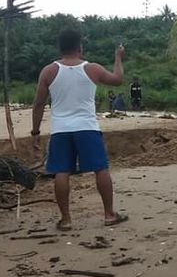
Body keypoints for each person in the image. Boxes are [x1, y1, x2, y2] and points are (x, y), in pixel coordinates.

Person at [31, 29, 129, 231]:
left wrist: (35, 132)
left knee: (61, 171)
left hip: (60, 129)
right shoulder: (92, 69)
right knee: (100, 168)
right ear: (80, 48)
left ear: (60, 48)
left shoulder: (48, 71)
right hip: (87, 127)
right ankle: (109, 214)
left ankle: (66, 220)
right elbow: (118, 79)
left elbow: (39, 103)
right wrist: (118, 58)